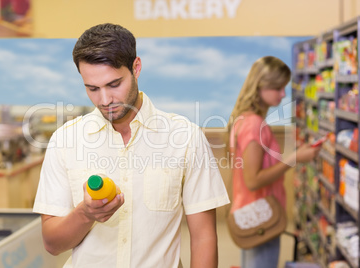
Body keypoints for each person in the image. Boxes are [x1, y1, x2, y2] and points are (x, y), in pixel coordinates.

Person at [33, 23, 230, 268]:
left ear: (136, 68)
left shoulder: (185, 138)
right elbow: (52, 244)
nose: (104, 100)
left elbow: (203, 238)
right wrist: (86, 214)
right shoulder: (65, 141)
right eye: (92, 88)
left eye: (114, 84)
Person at [226, 56, 321, 268]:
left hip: (251, 214)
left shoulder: (243, 118)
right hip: (262, 217)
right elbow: (253, 180)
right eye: (278, 87)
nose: (283, 94)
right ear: (261, 86)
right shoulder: (254, 125)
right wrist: (294, 159)